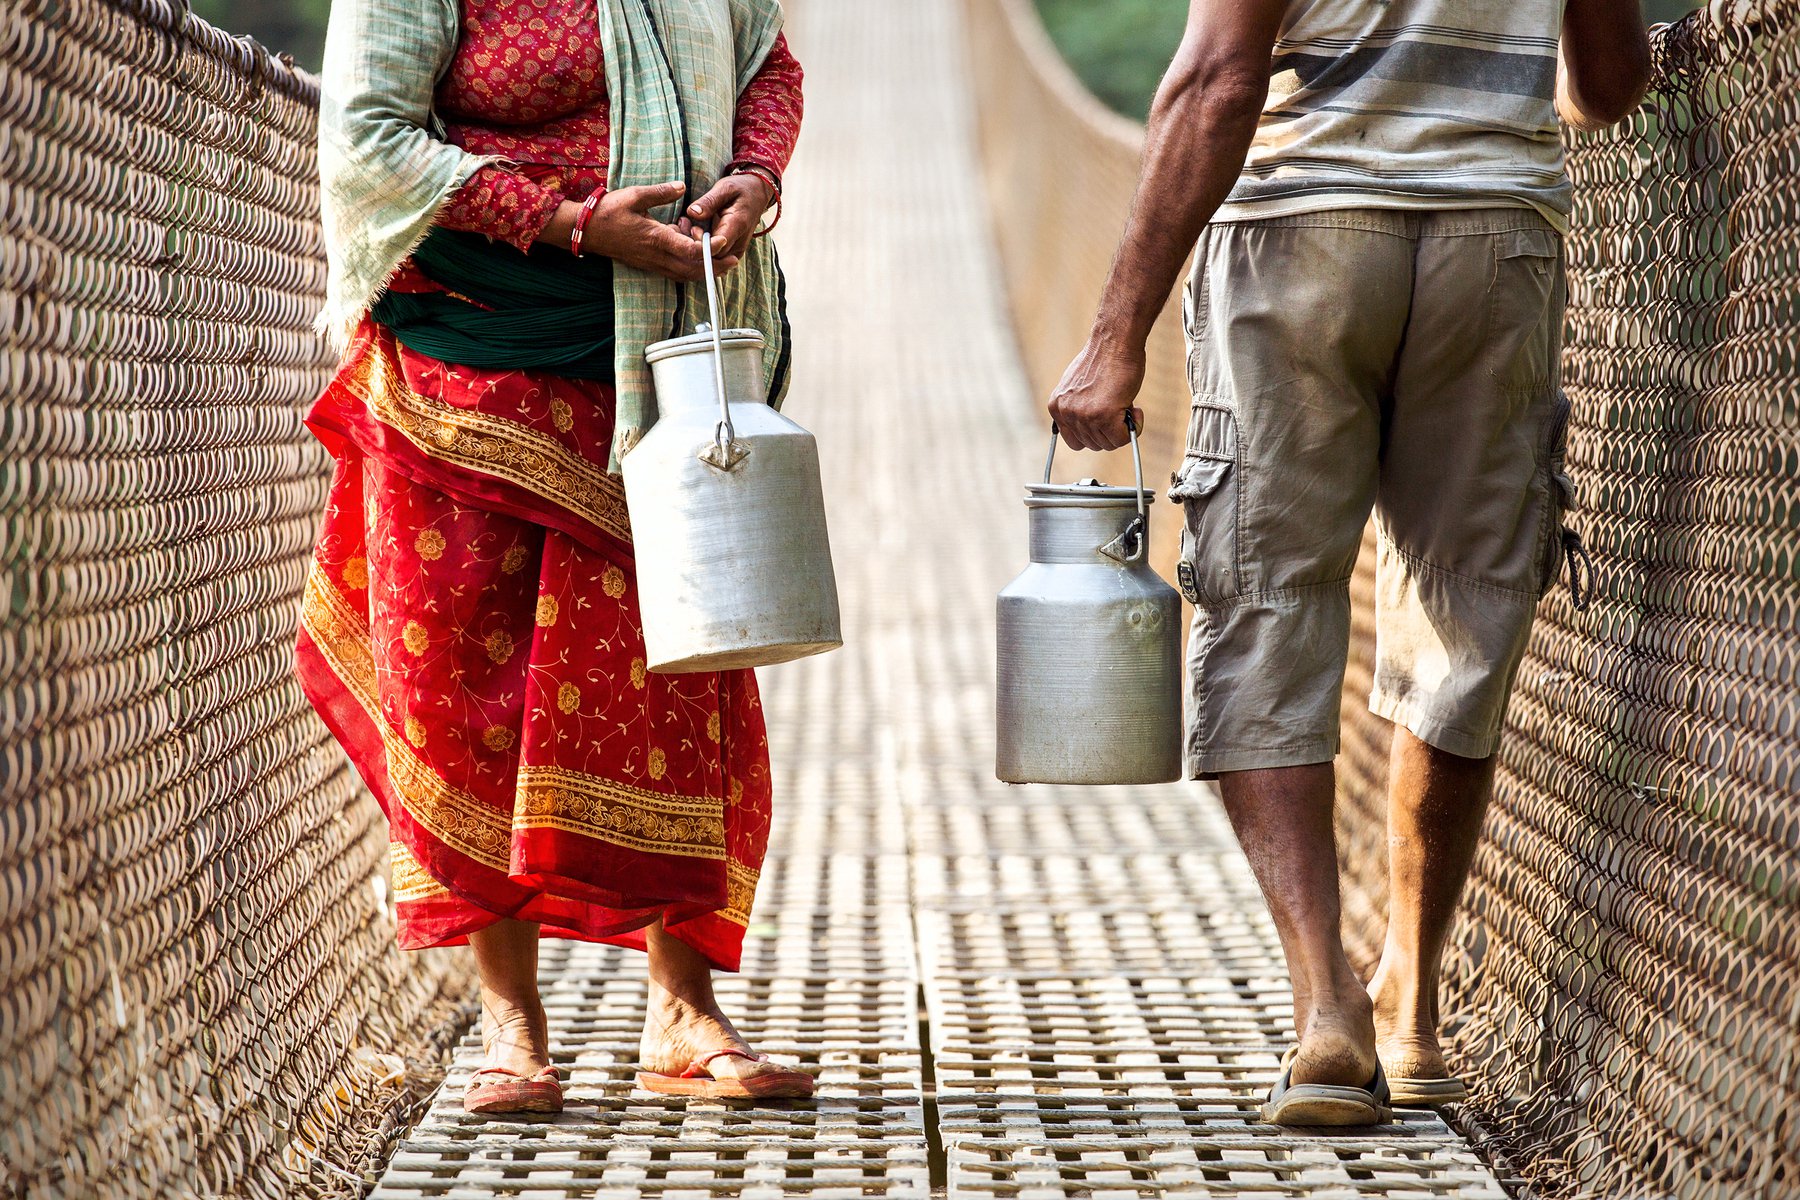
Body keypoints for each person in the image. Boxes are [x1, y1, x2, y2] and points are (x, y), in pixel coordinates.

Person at [1049, 0, 1651, 1125]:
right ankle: (1414, 1009)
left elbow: (1217, 82)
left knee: (1270, 602)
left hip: (1300, 234)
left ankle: (1328, 1010)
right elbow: (1610, 82)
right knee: (1467, 613)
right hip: (1497, 239)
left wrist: (1115, 331)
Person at [298, 0, 810, 1114]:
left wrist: (755, 179)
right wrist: (568, 225)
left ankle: (685, 1014)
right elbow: (371, 139)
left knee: (677, 673)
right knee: (460, 686)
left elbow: (767, 65)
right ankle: (511, 1025)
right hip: (467, 354)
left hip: (651, 359)